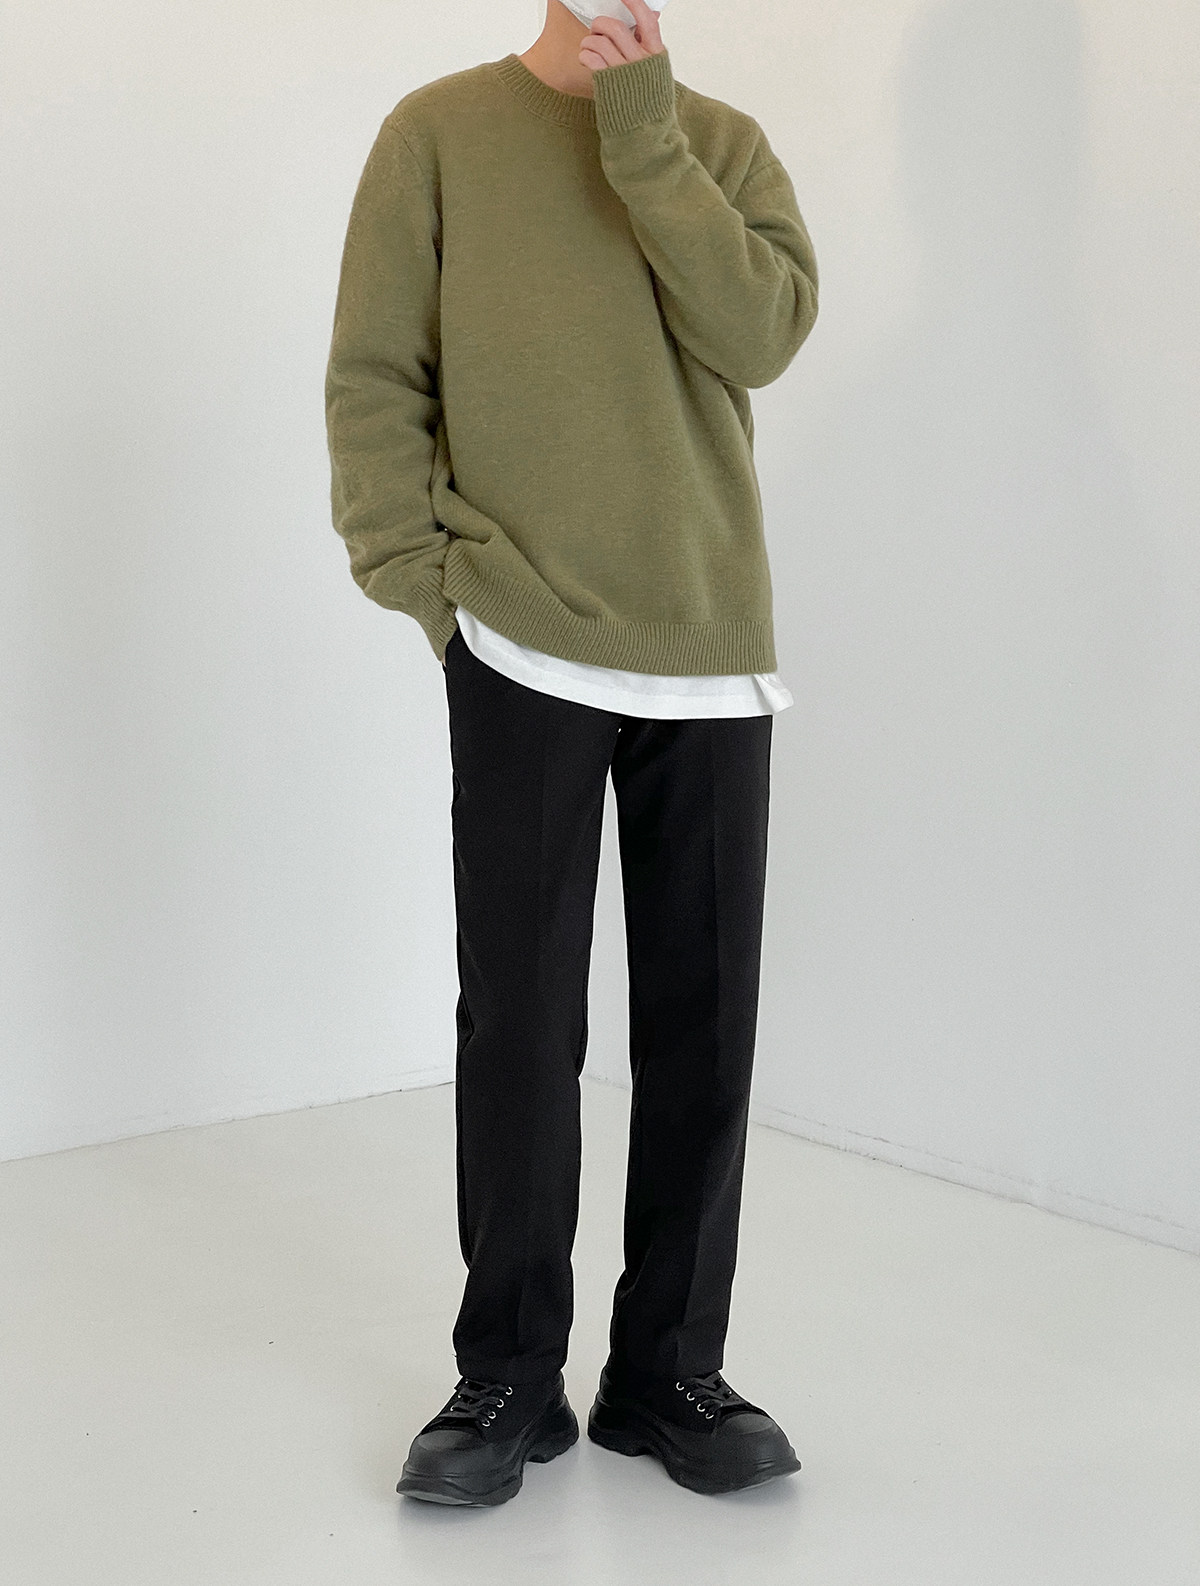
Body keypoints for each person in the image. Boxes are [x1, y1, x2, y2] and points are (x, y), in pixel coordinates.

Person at [324, 0, 818, 1505]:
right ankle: (508, 1377)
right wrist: (426, 585)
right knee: (524, 1026)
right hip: (519, 633)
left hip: (710, 644)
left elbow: (761, 335)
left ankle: (666, 1371)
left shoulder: (720, 144)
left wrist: (643, 127)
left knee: (705, 1030)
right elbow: (375, 377)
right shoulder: (437, 134)